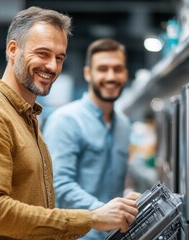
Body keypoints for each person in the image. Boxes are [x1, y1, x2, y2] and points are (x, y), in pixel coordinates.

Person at [0, 6, 140, 240]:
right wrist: (91, 218)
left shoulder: (27, 119)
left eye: (59, 57)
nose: (52, 66)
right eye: (42, 53)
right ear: (13, 49)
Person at [42, 38, 132, 240]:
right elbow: (59, 184)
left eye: (117, 69)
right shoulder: (65, 120)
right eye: (102, 69)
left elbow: (112, 185)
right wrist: (104, 211)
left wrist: (127, 201)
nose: (111, 76)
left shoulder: (124, 126)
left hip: (116, 235)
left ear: (125, 74)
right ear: (88, 73)